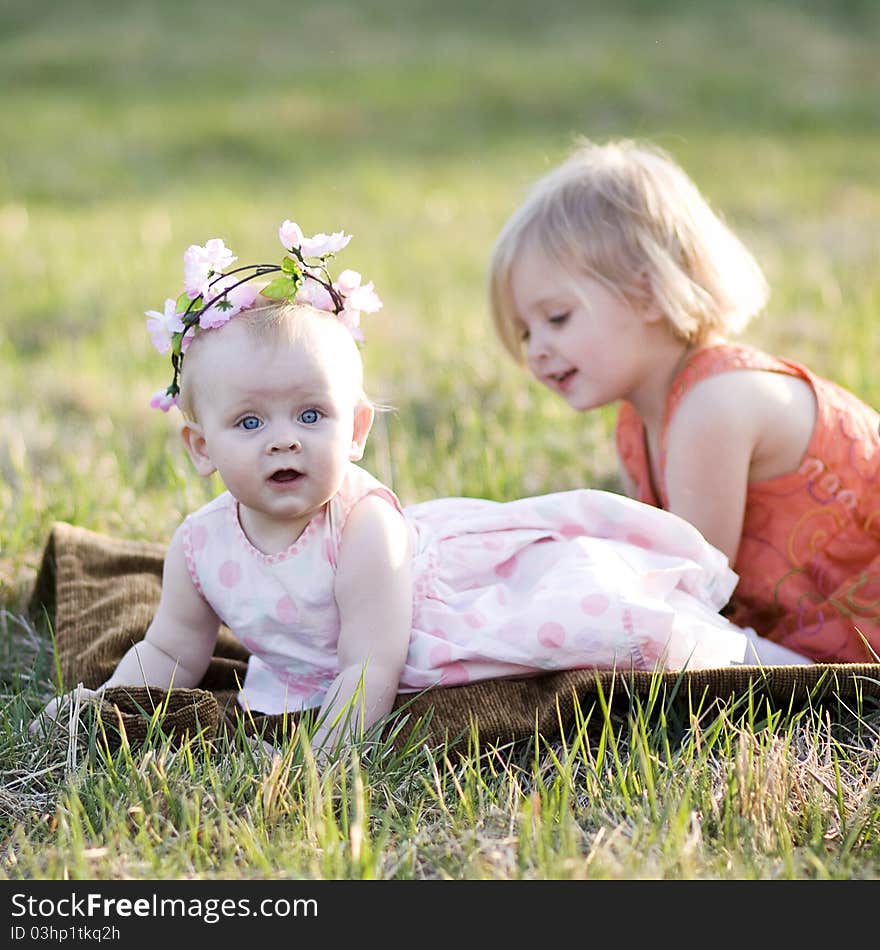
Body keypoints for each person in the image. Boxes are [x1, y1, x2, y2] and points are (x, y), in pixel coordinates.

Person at [31, 222, 803, 755]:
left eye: (310, 414)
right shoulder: (200, 546)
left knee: (622, 623)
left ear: (357, 428)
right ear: (200, 447)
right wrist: (105, 707)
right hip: (332, 661)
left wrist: (330, 755)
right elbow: (171, 649)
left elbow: (370, 661)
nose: (285, 438)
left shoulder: (364, 526)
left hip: (447, 619)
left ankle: (770, 663)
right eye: (249, 423)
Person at [488, 137, 880, 665]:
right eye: (524, 332)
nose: (537, 350)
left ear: (647, 293)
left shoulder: (714, 403)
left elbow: (693, 595)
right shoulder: (635, 425)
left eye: (556, 318)